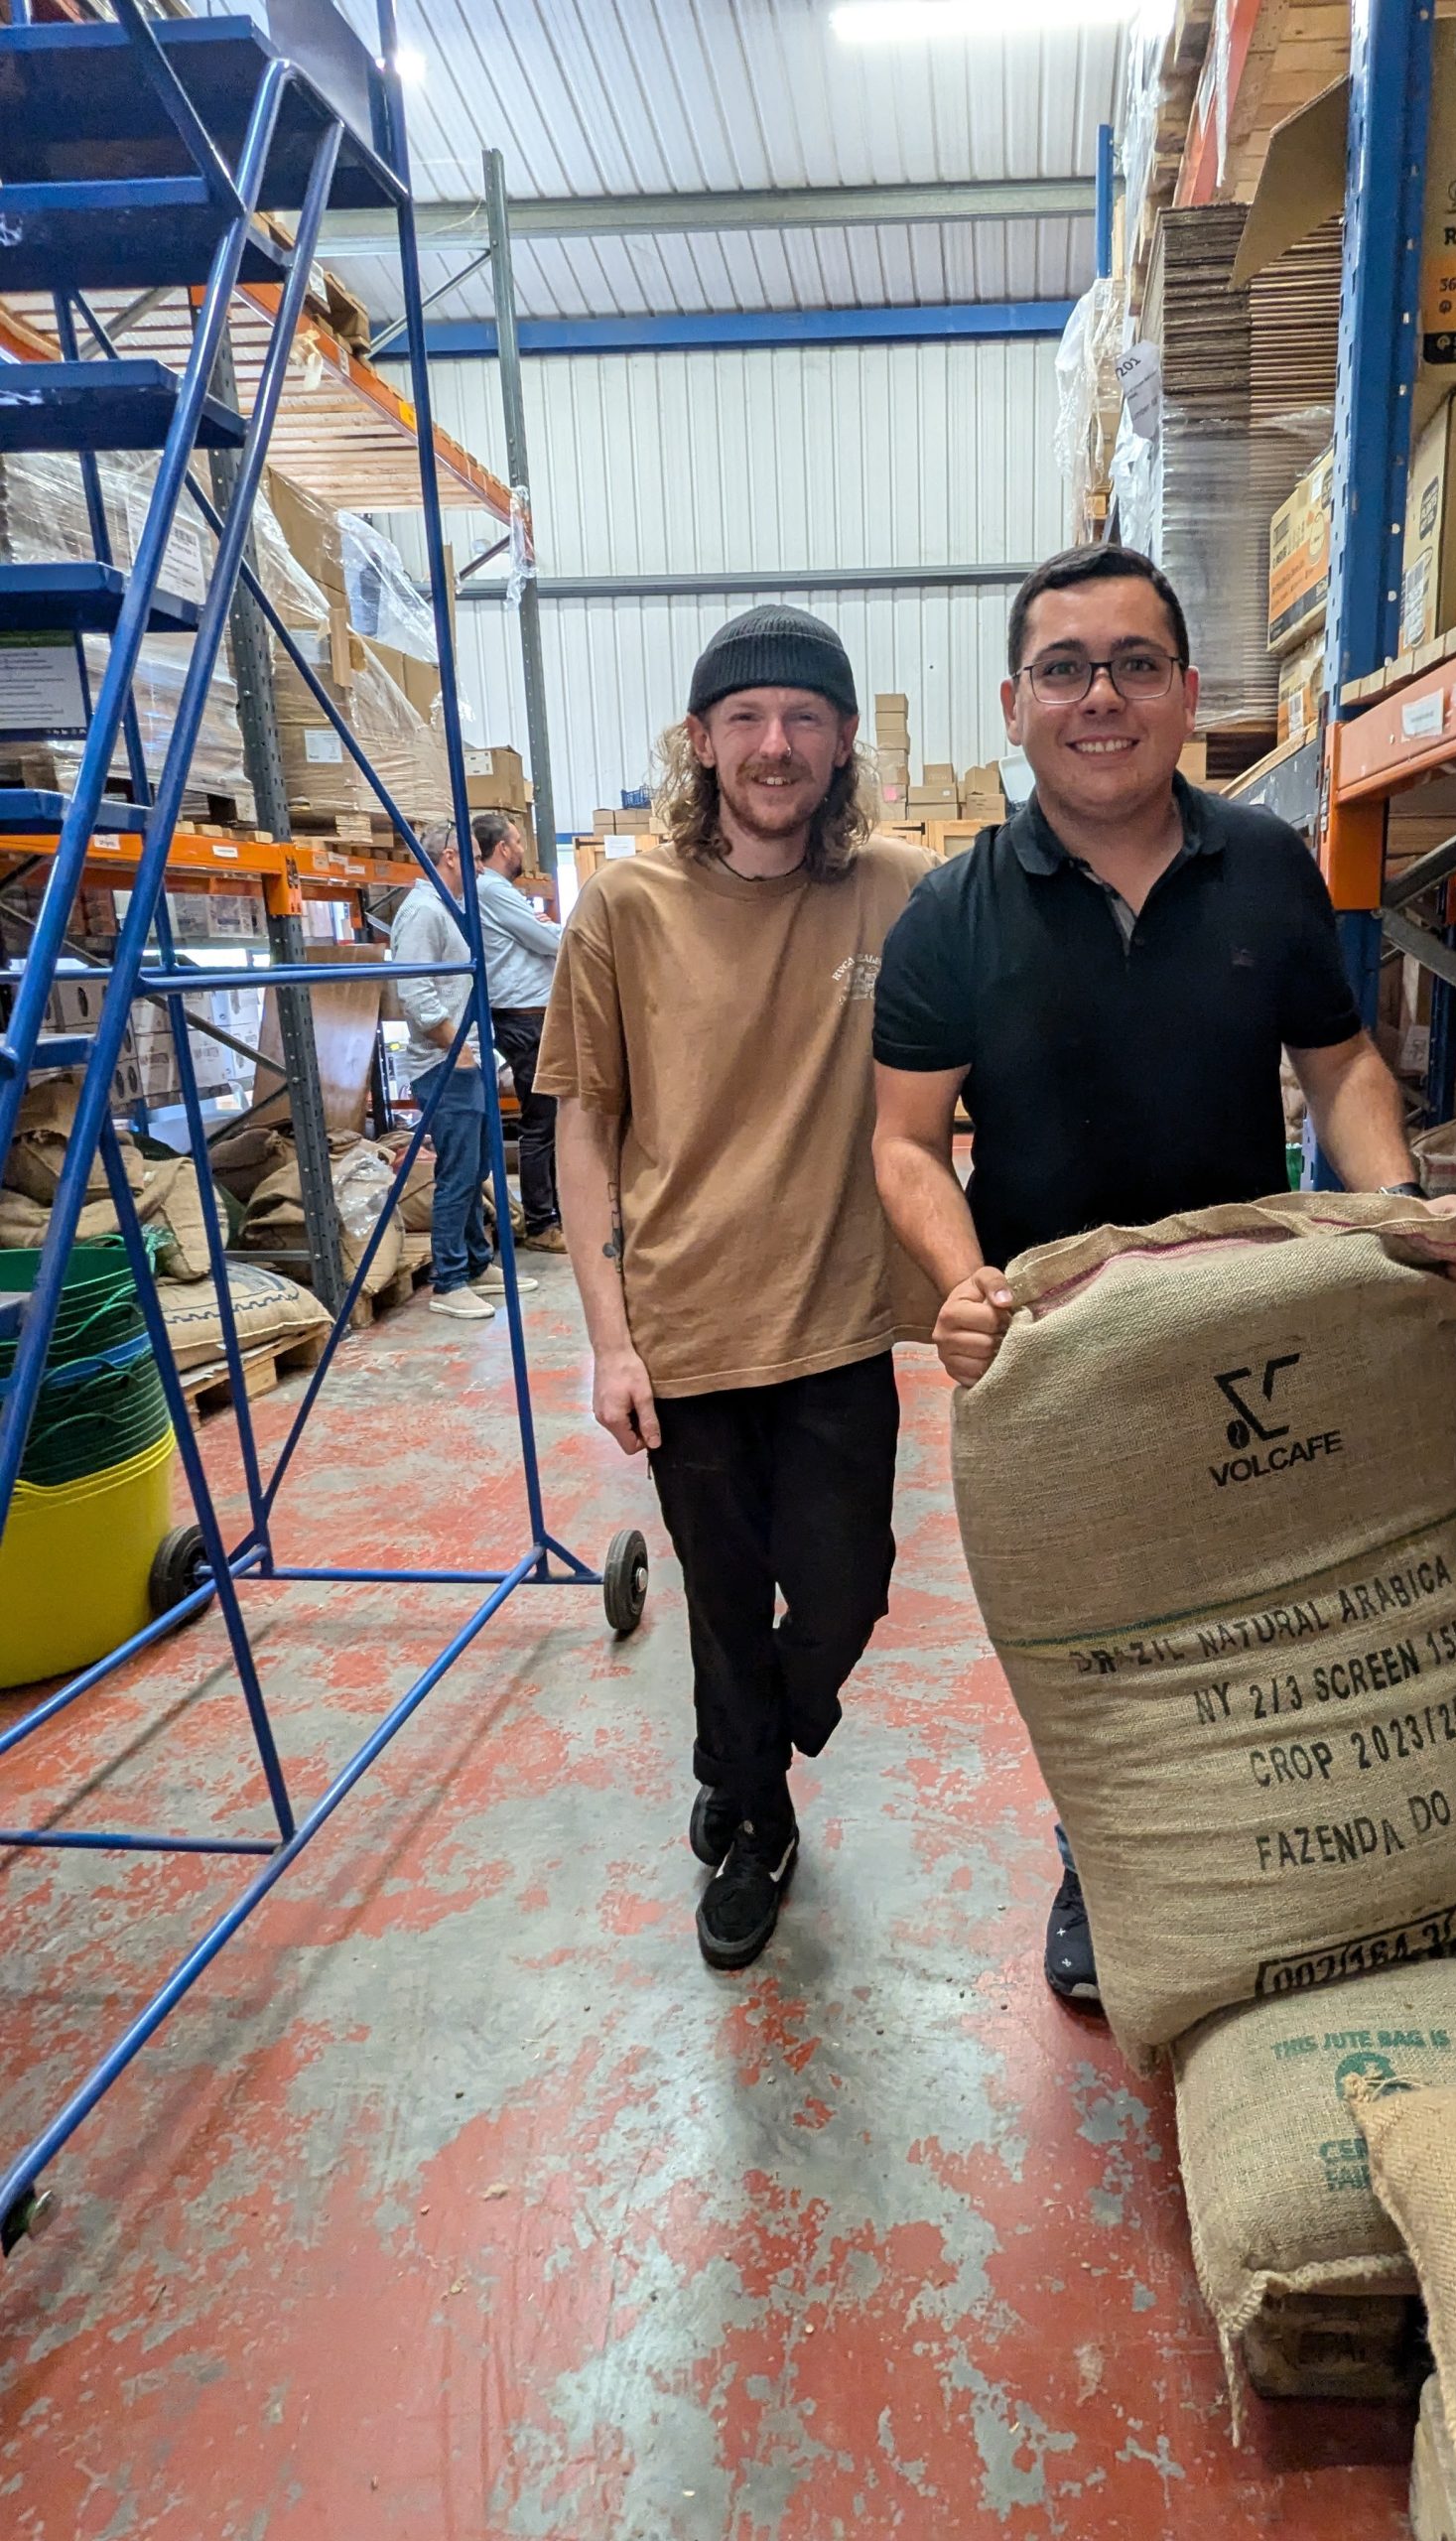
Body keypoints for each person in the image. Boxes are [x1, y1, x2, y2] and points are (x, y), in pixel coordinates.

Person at [870, 543, 1456, 2009]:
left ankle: (1288, 1839)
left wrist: (1390, 1210)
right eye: (1068, 670)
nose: (1104, 698)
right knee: (1104, 1635)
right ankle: (1107, 1854)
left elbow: (1337, 1067)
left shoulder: (1267, 866)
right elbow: (904, 1144)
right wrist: (963, 1285)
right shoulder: (950, 919)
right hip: (1063, 1349)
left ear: (1189, 696)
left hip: (1246, 1319)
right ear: (1014, 704)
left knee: (1264, 1594)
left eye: (1136, 665)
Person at [537, 605, 936, 1973]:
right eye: (748, 719)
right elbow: (583, 1128)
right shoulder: (625, 910)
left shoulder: (905, 888)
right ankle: (756, 1818)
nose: (776, 744)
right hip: (686, 1331)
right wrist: (607, 1342)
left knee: (847, 1594)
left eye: (804, 719)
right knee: (719, 1598)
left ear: (841, 745)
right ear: (700, 743)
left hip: (836, 1322)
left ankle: (740, 1746)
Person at [390, 820, 536, 1326]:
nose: (480, 865)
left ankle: (475, 1263)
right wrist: (459, 1051)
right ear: (450, 857)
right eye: (473, 857)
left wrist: (482, 1056)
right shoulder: (423, 912)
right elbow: (415, 993)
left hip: (466, 1060)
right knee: (457, 1174)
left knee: (476, 1170)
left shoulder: (450, 910)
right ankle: (449, 1281)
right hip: (443, 1064)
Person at [471, 809, 567, 1254]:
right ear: (504, 848)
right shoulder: (493, 889)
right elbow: (549, 941)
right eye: (518, 842)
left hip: (533, 1015)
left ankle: (552, 1213)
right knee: (540, 1121)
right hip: (523, 1018)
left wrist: (545, 930)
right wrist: (552, 930)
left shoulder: (498, 892)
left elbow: (539, 935)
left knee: (549, 1119)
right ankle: (541, 1220)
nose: (523, 850)